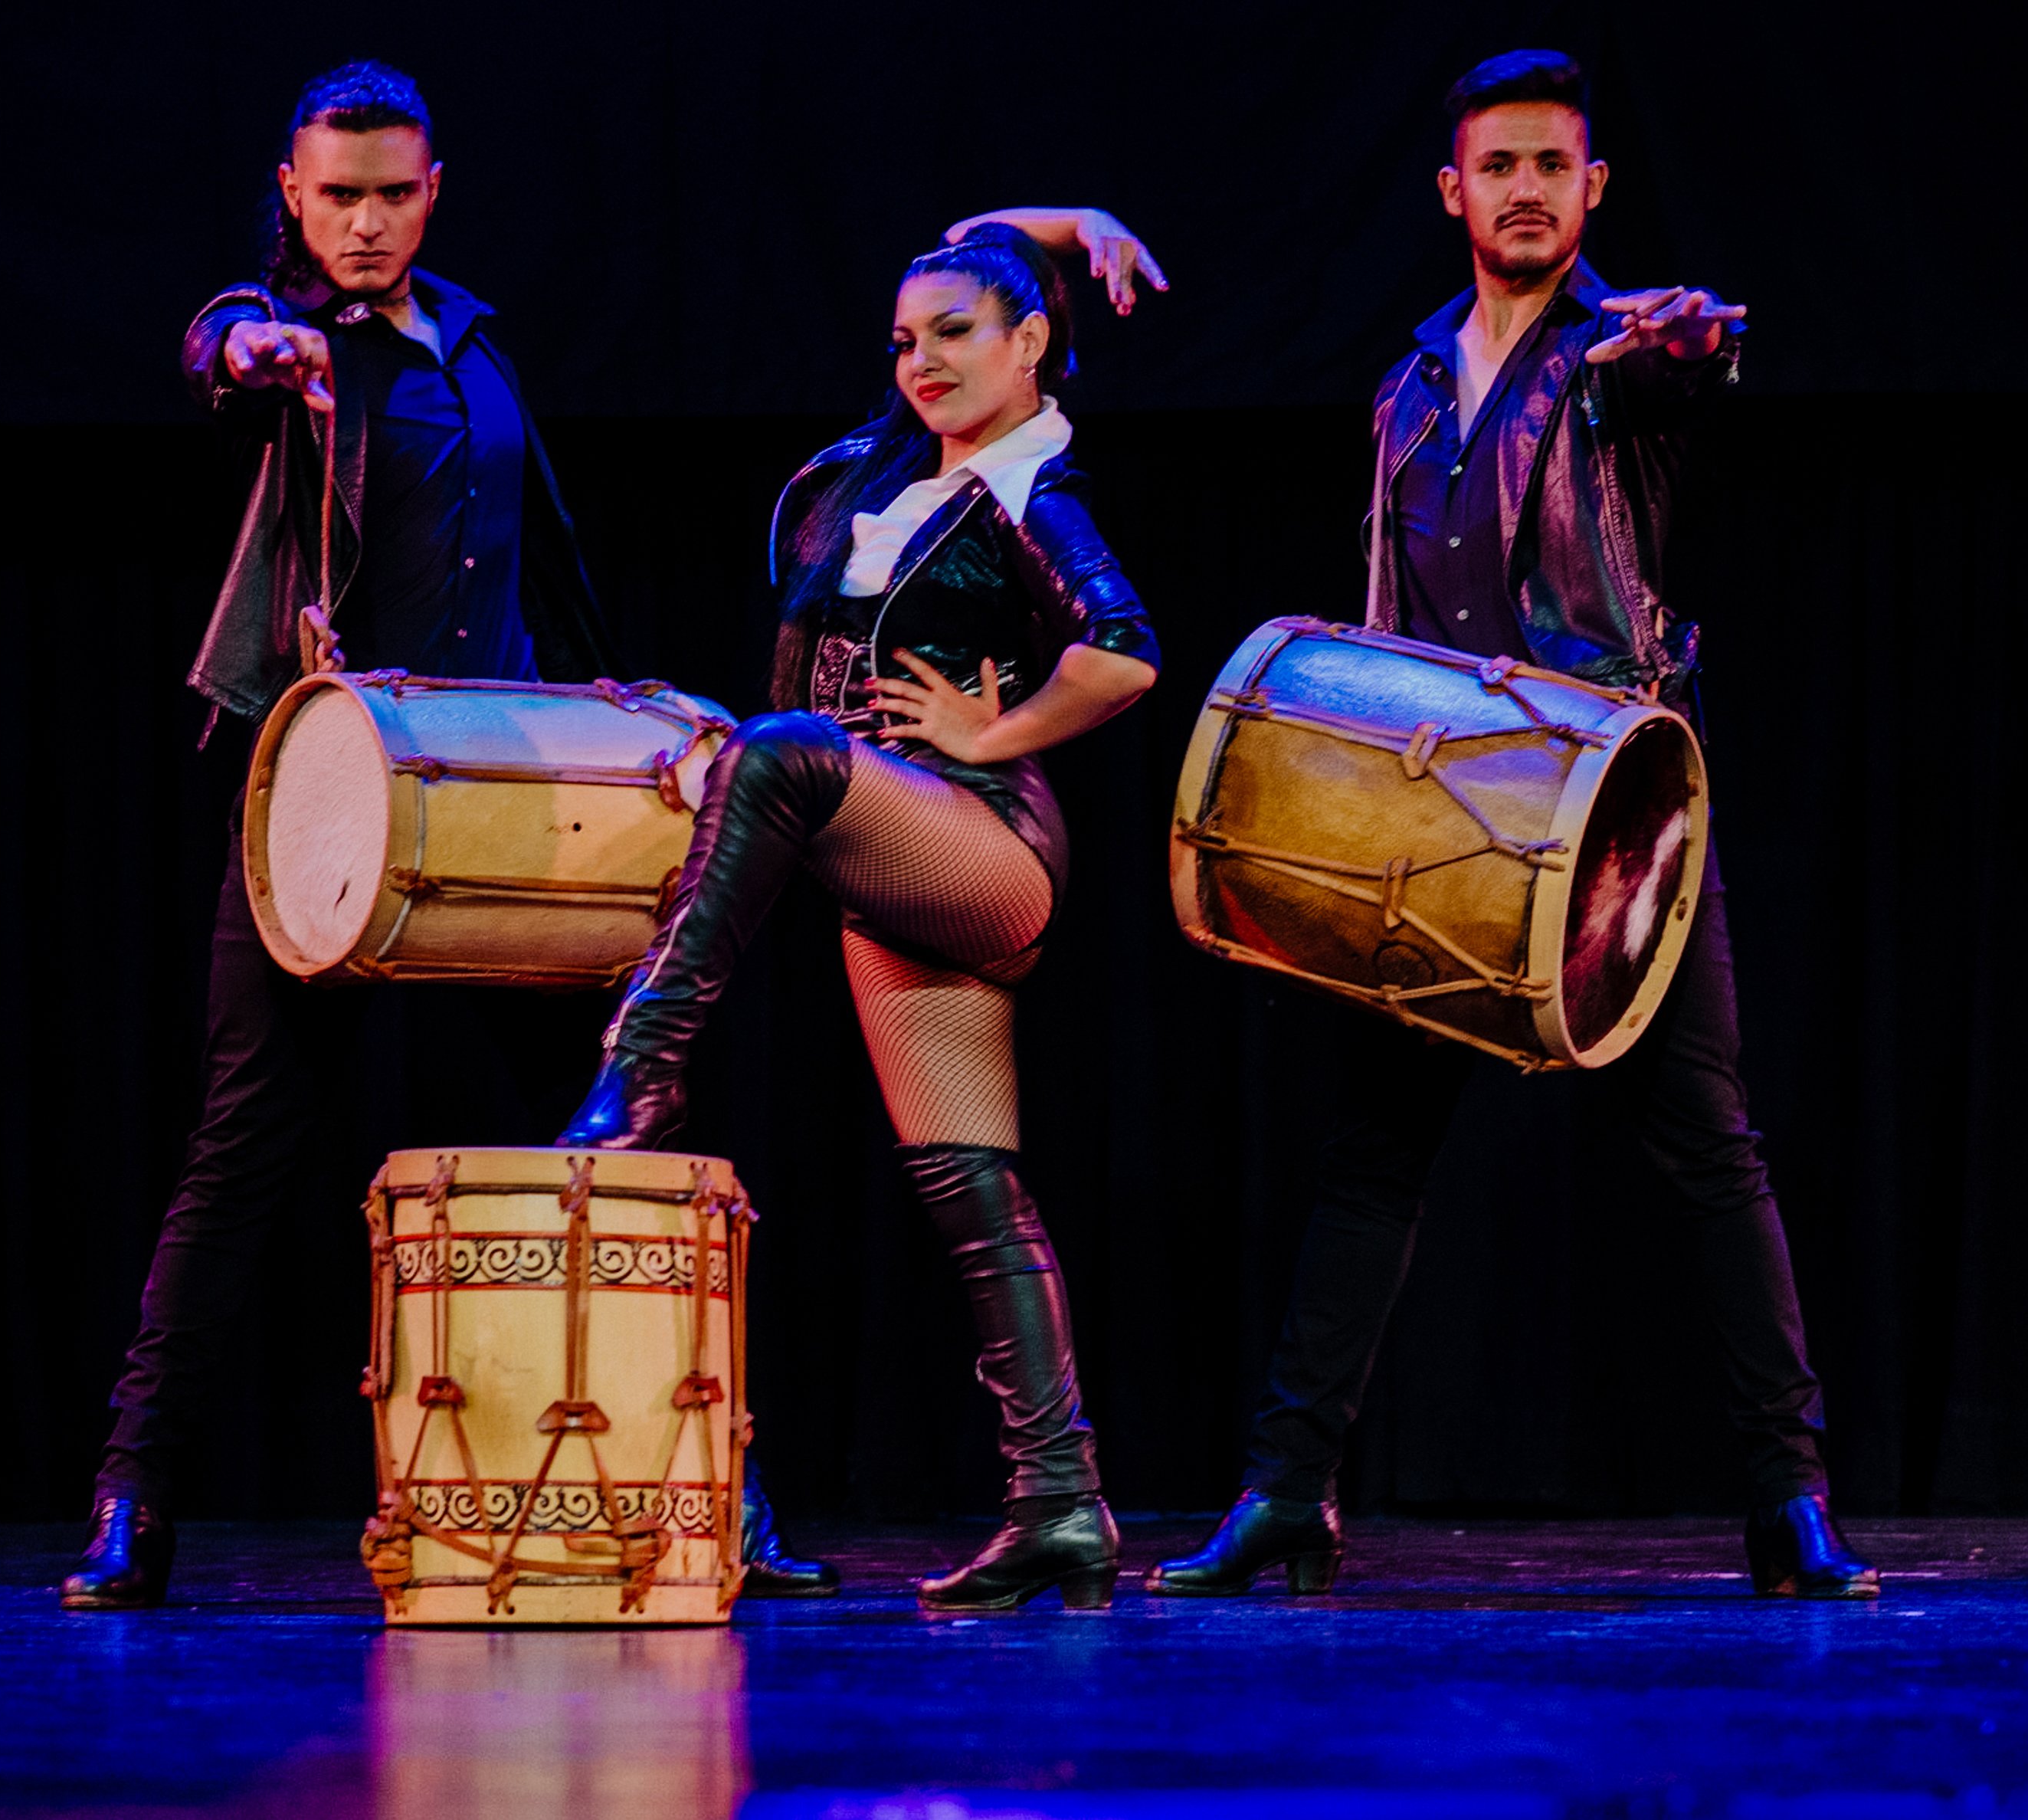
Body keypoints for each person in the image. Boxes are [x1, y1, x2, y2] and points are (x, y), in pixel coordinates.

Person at [61, 61, 830, 1610]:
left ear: (432, 189)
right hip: (333, 812)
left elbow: (534, 558)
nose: (363, 222)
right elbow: (222, 347)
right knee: (241, 1156)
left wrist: (609, 722)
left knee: (613, 1139)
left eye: (391, 193)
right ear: (289, 190)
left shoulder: (471, 339)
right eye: (335, 195)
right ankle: (133, 1498)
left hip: (495, 804)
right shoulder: (293, 348)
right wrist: (251, 343)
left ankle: (719, 1493)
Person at [1130, 48, 1877, 1599]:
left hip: (1606, 815)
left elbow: (1696, 355)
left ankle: (1786, 1502)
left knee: (1703, 1149)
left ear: (1590, 188)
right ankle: (1285, 1497)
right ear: (1453, 192)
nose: (1527, 189)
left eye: (1555, 166)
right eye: (1501, 166)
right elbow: (1380, 606)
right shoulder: (1406, 380)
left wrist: (1689, 334)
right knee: (1369, 1161)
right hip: (1437, 812)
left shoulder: (1623, 353)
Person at [555, 217, 1168, 1614]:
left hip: (983, 850)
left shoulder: (1032, 490)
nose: (923, 361)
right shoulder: (884, 481)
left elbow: (1128, 656)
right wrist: (1063, 223)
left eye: (957, 333)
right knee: (968, 1181)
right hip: (886, 859)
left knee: (772, 752)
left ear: (1032, 343)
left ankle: (644, 1060)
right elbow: (970, 237)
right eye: (904, 340)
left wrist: (1000, 724)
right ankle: (1062, 1507)